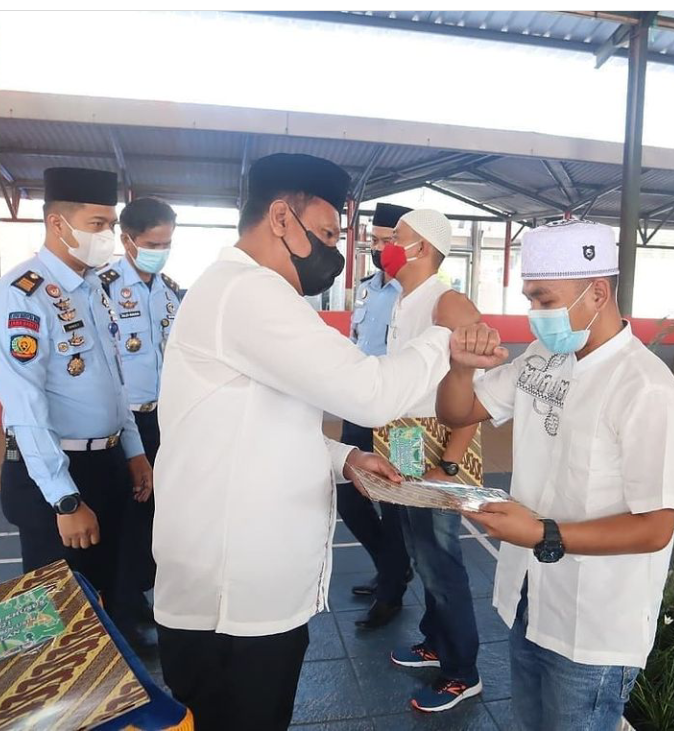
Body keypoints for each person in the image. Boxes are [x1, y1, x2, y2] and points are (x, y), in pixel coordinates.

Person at [152, 153, 463, 731]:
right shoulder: (249, 293)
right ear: (279, 218)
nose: (334, 250)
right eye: (325, 233)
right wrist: (449, 330)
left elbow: (260, 423)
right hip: (233, 604)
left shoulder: (246, 292)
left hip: (244, 594)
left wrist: (345, 457)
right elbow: (371, 392)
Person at [436, 219, 674, 730]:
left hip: (593, 626)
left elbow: (654, 528)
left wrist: (542, 533)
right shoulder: (545, 356)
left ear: (597, 292)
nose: (534, 314)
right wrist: (461, 367)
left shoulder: (647, 391)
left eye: (542, 299)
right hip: (532, 596)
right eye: (530, 298)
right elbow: (458, 412)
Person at [0, 167, 152, 617]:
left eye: (111, 226)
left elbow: (115, 382)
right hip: (56, 474)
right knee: (60, 617)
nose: (109, 237)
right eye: (97, 225)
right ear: (58, 224)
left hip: (107, 464)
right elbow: (25, 406)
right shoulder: (22, 295)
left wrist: (133, 451)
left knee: (108, 599)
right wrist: (65, 498)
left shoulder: (93, 288)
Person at [374, 208, 484, 712]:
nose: (386, 245)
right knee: (420, 551)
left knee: (442, 561)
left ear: (423, 247)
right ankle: (436, 640)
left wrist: (453, 464)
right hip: (404, 439)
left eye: (398, 237)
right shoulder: (404, 298)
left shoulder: (448, 300)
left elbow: (476, 386)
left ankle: (463, 671)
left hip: (440, 447)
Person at [97, 197, 180, 635]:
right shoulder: (102, 286)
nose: (161, 249)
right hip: (121, 424)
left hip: (161, 420)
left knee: (152, 517)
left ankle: (137, 597)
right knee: (128, 516)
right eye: (153, 242)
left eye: (167, 242)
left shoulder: (168, 291)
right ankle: (121, 613)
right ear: (127, 240)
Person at [339, 202, 415, 629]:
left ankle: (391, 591)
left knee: (396, 505)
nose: (381, 248)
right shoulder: (367, 287)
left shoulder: (417, 296)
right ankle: (393, 568)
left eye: (390, 240)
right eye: (377, 239)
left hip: (400, 417)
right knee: (350, 497)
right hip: (359, 407)